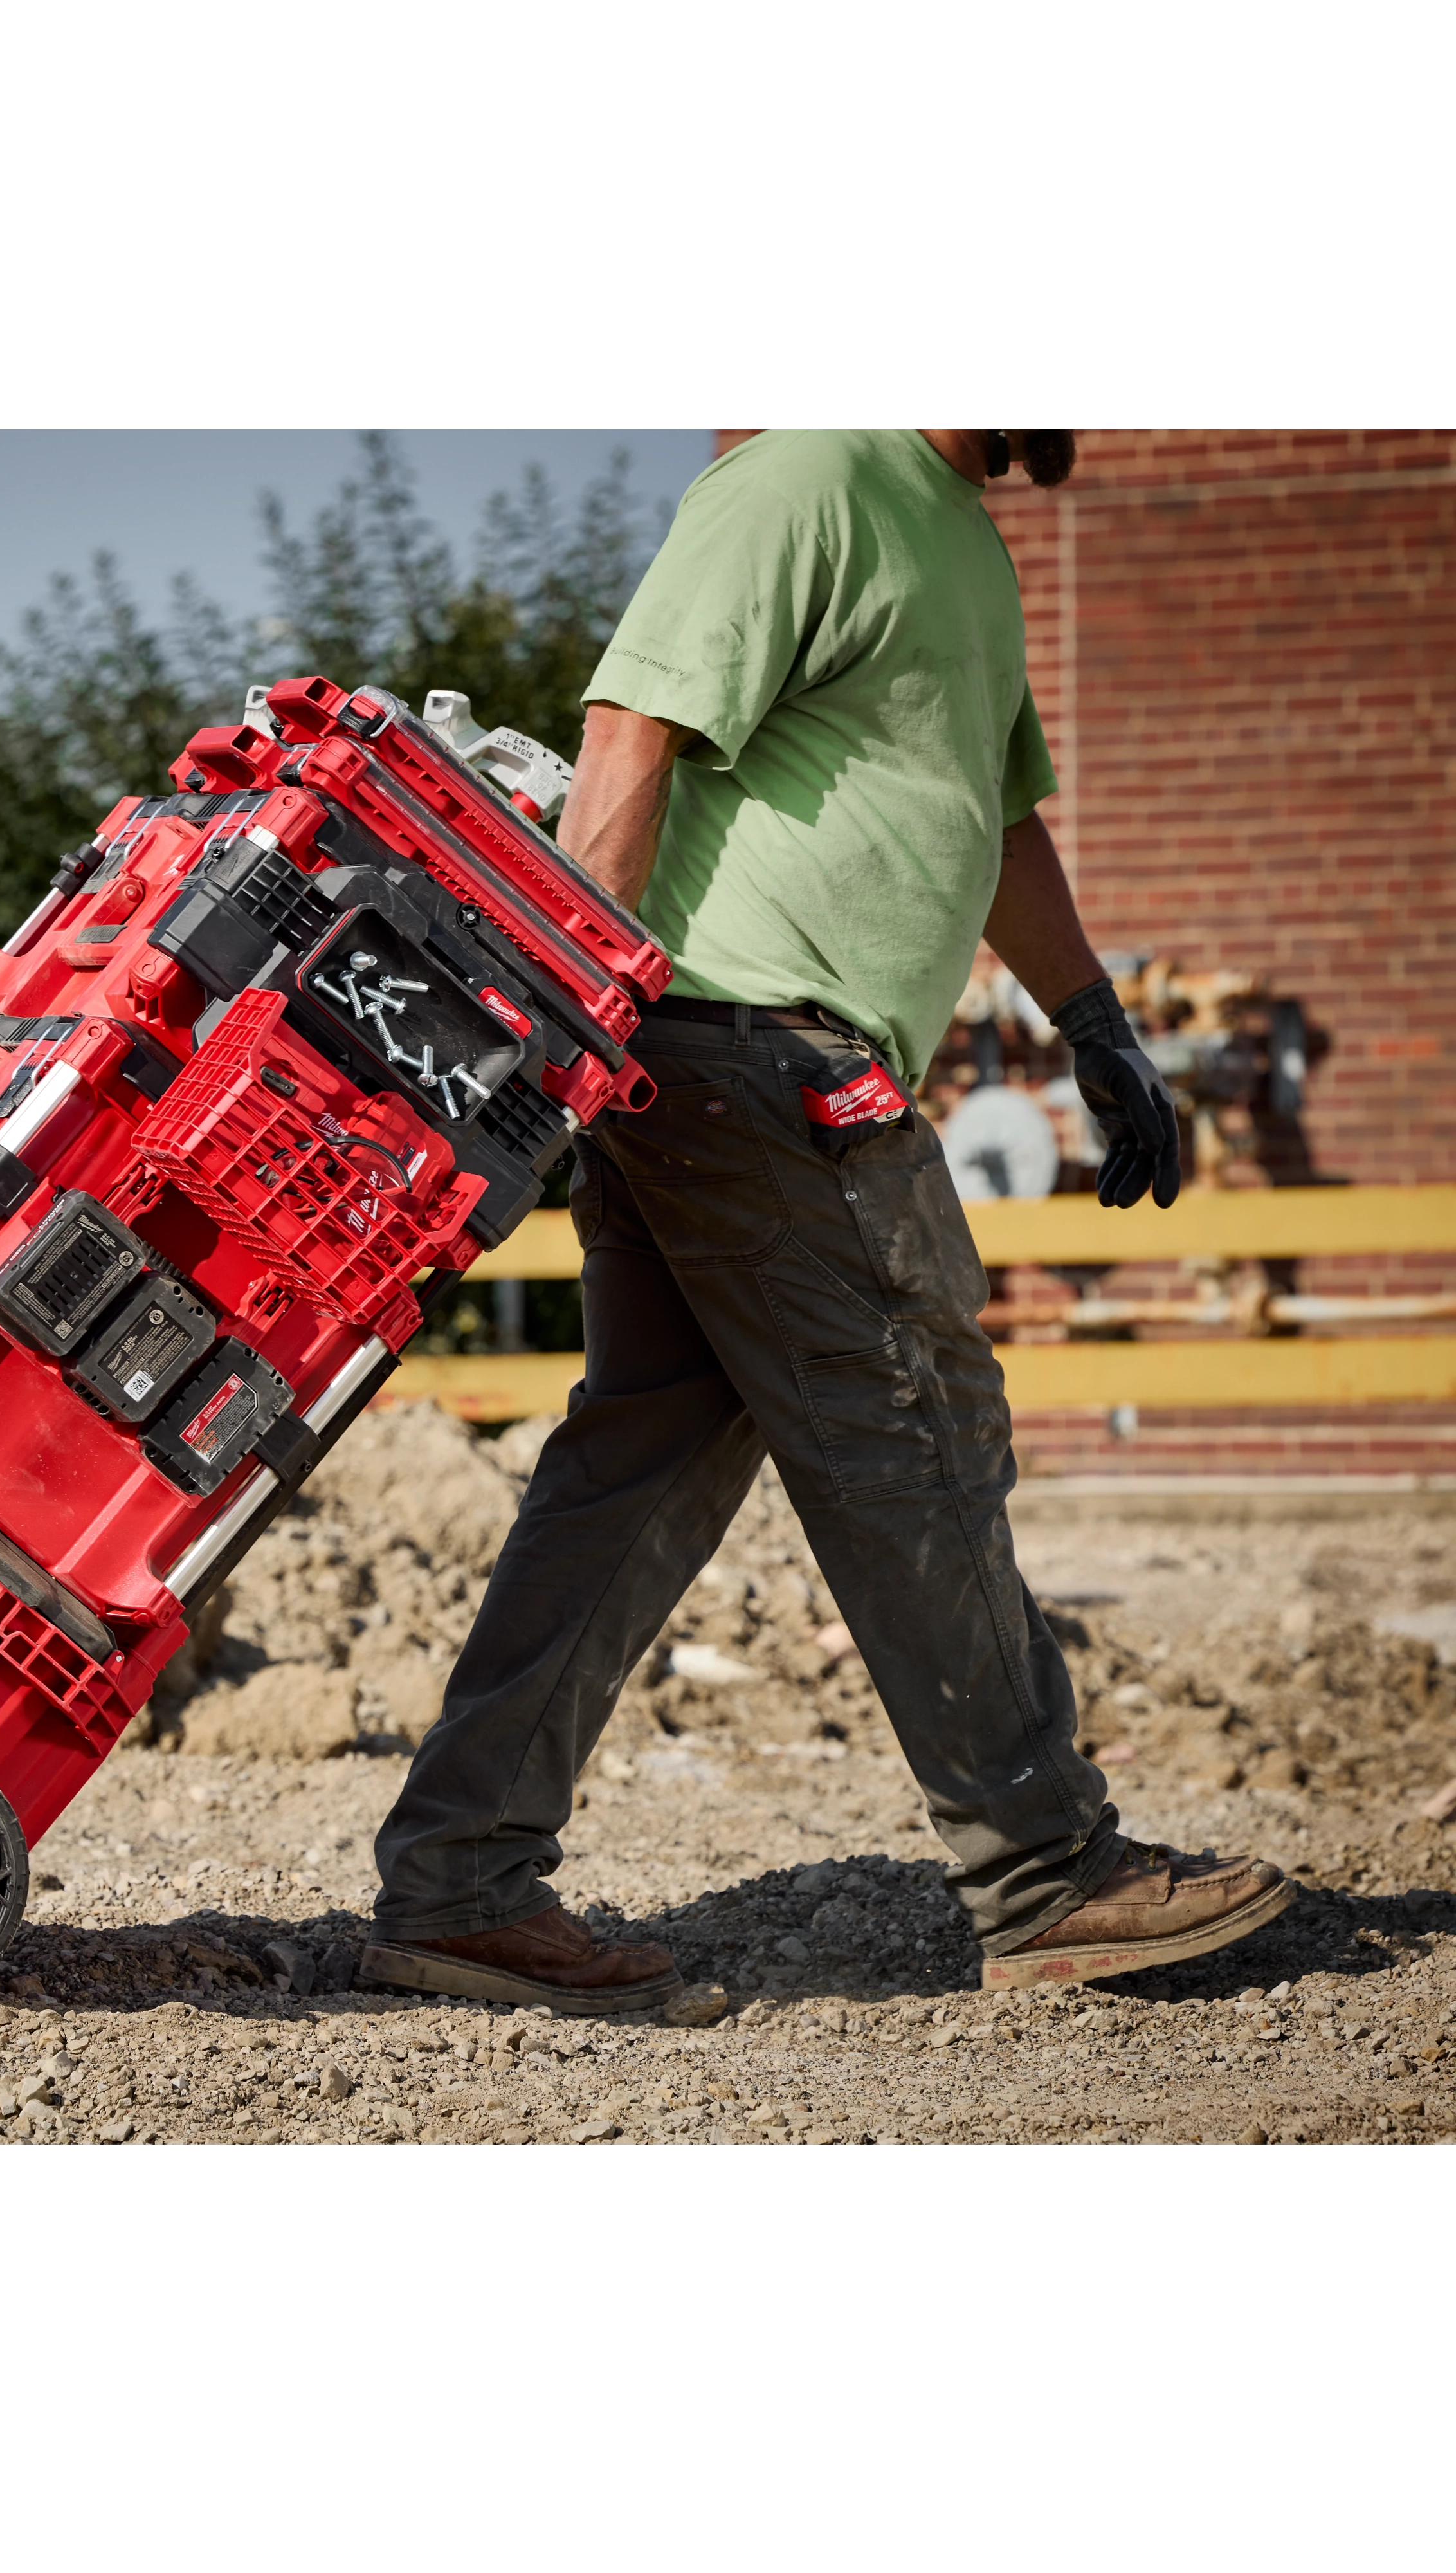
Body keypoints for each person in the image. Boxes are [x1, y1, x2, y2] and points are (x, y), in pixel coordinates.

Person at [363, 426, 1293, 2011]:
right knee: (915, 1421)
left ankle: (456, 1883)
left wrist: (1091, 1018)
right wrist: (552, 1012)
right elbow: (630, 728)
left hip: (734, 1053)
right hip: (749, 1041)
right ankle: (1043, 1868)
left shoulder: (960, 536)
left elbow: (987, 818)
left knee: (637, 1464)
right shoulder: (806, 474)